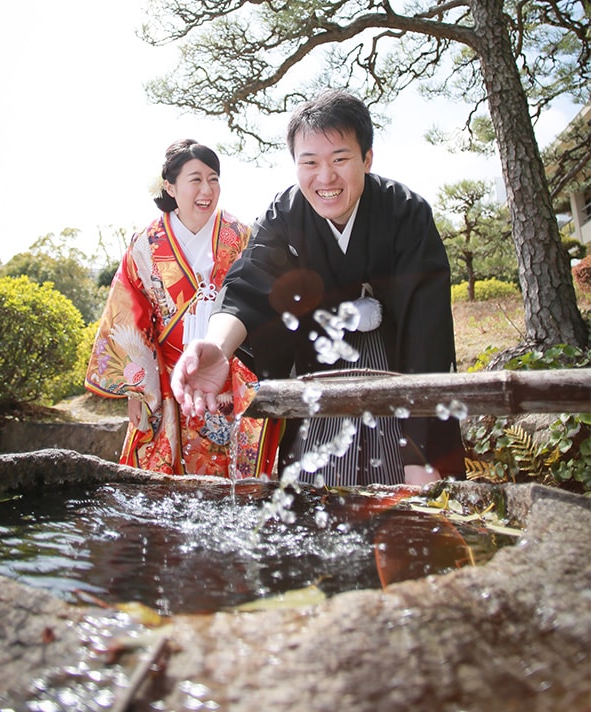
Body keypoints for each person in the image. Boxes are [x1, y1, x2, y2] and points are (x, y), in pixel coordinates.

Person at [170, 91, 466, 487]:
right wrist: (217, 346)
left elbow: (426, 334)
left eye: (340, 159)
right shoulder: (284, 214)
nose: (325, 178)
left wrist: (422, 449)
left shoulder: (405, 212)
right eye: (309, 163)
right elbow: (249, 283)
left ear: (367, 158)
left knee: (410, 492)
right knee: (314, 491)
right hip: (319, 369)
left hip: (398, 369)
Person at [85, 139, 280, 478]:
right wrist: (137, 388)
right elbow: (130, 314)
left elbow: (260, 297)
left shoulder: (239, 236)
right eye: (196, 179)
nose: (207, 189)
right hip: (168, 378)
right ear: (170, 187)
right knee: (164, 482)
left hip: (227, 372)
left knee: (231, 482)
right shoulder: (146, 244)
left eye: (214, 178)